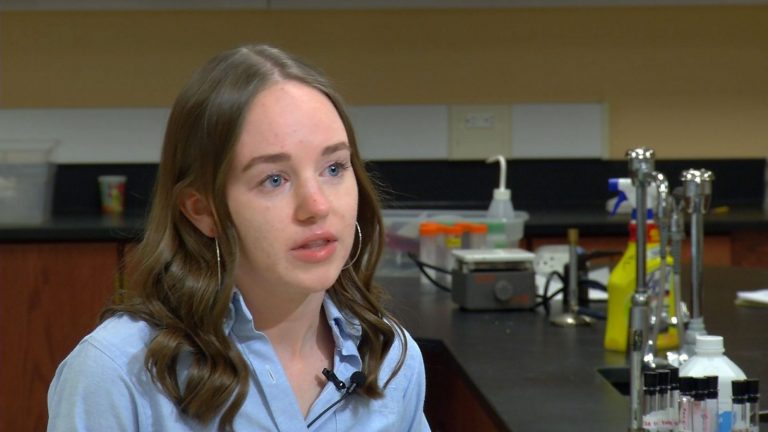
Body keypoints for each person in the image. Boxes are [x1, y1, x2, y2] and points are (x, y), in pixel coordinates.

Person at [47, 44, 430, 431]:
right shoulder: (118, 374)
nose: (317, 205)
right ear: (203, 210)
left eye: (333, 168)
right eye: (274, 179)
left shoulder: (391, 358)